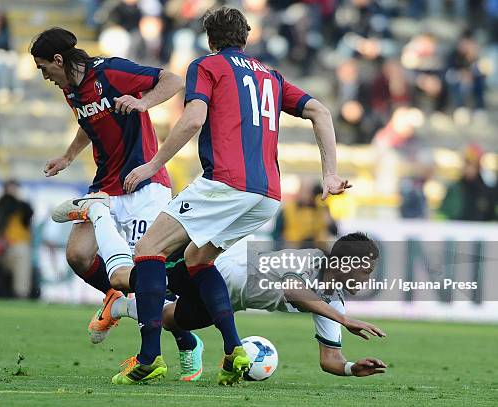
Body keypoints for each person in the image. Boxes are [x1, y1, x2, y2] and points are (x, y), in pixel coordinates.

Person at [96, 6, 350, 385]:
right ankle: (234, 351)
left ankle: (149, 357)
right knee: (198, 258)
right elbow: (320, 111)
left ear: (210, 40)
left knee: (148, 251)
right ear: (246, 38)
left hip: (226, 183)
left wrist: (152, 165)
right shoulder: (272, 76)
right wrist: (329, 173)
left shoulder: (208, 66)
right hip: (266, 194)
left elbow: (195, 118)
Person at [31, 28, 183, 342]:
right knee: (78, 255)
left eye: (44, 67)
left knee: (142, 272)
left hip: (143, 183)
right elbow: (90, 122)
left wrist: (145, 103)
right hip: (106, 185)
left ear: (58, 60)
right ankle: (115, 298)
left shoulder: (112, 71)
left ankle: (182, 341)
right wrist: (68, 157)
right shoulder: (70, 88)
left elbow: (173, 80)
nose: (44, 76)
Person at [116, 233, 387, 379]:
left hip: (233, 300)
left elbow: (330, 360)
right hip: (219, 267)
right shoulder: (310, 260)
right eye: (366, 270)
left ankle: (117, 307)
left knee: (168, 320)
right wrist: (345, 320)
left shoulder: (333, 301)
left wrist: (352, 368)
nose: (369, 278)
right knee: (127, 279)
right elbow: (292, 290)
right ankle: (99, 217)